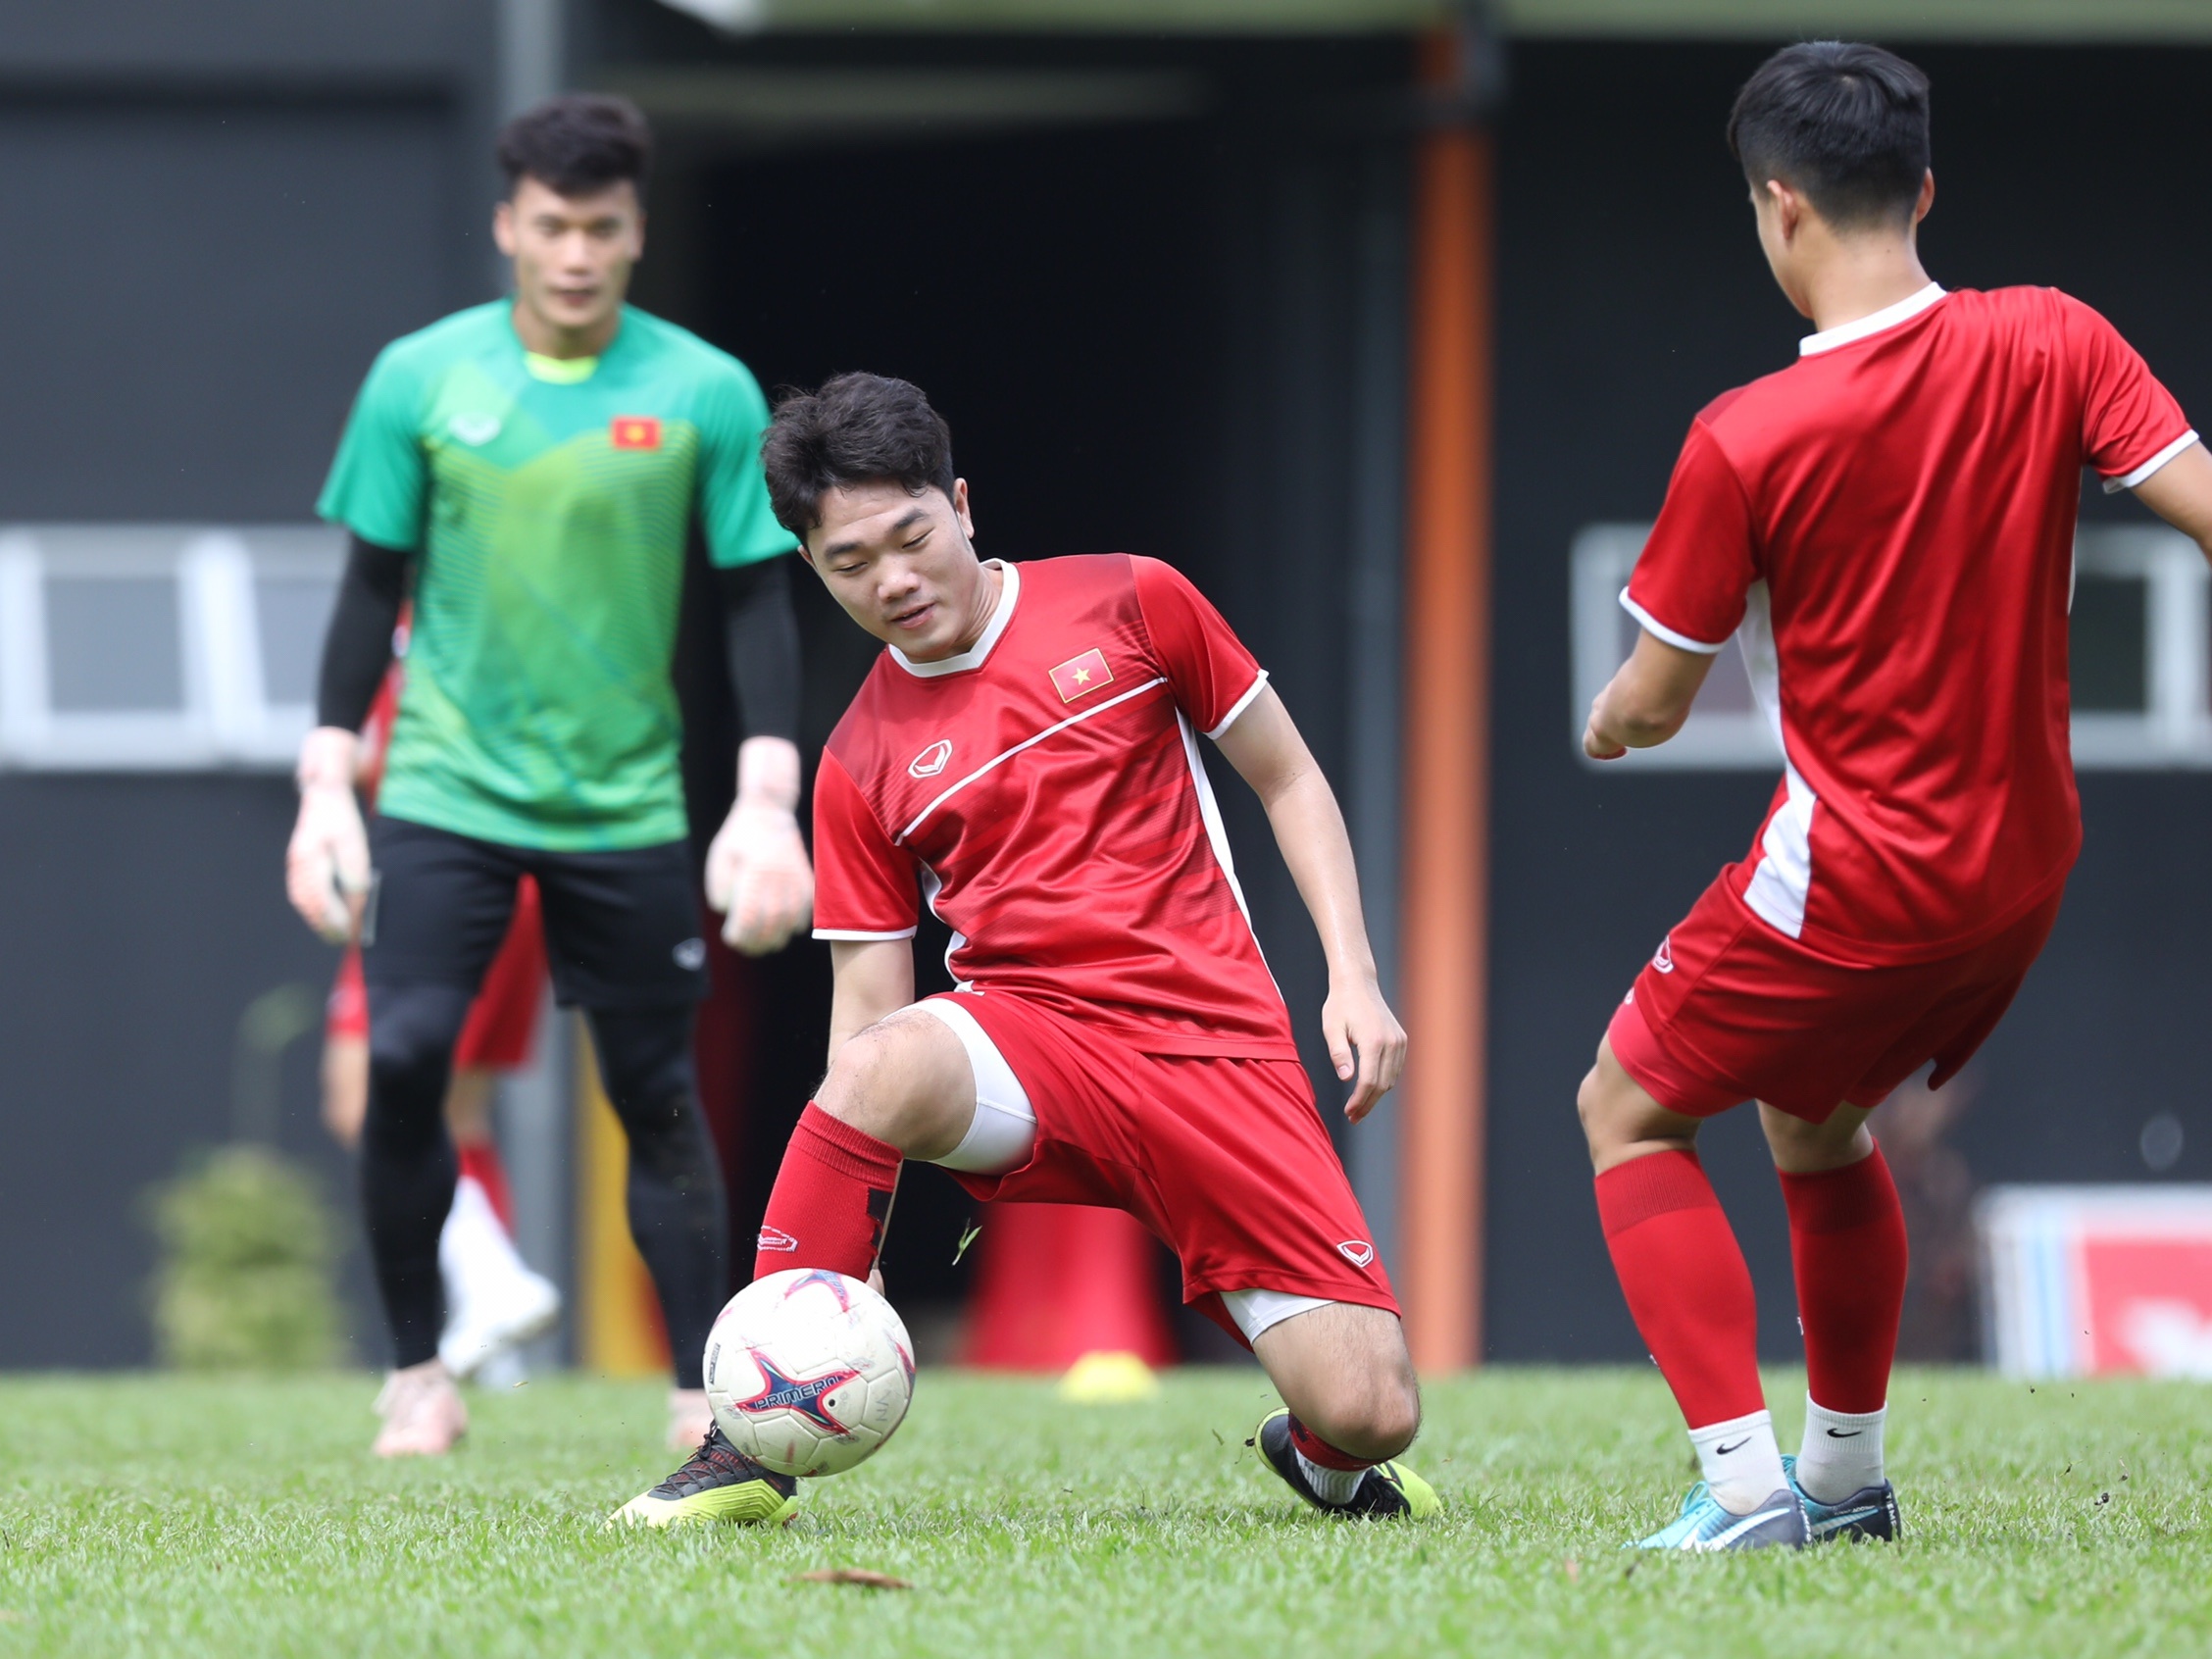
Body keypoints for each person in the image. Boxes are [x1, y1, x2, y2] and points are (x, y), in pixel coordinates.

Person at [1574, 41, 2212, 1550]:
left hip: (1860, 868)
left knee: (1624, 1108)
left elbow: (1656, 704)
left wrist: (1609, 717)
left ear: (1777, 207)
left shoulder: (1746, 433)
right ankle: (1848, 1479)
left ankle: (1742, 1491)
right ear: (1924, 190)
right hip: (2025, 863)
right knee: (1814, 1120)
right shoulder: (2053, 335)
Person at [615, 373, 1433, 1528]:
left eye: (910, 537)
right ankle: (745, 1448)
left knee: (1373, 1412)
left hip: (1215, 1048)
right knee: (879, 1066)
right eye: (849, 565)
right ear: (813, 571)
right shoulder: (855, 759)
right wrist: (843, 1259)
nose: (892, 580)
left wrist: (1351, 975)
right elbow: (867, 1010)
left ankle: (1318, 1452)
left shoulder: (1135, 601)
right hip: (1030, 1042)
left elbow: (1287, 777)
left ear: (960, 502)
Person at [285, 93, 813, 1458]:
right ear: (508, 225)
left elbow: (756, 603)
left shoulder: (704, 389)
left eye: (604, 228)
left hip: (627, 804)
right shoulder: (420, 377)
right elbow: (364, 592)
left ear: (636, 232)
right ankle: (417, 1374)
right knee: (401, 1060)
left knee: (653, 1088)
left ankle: (702, 1394)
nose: (576, 253)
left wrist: (766, 801)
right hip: (444, 791)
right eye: (553, 226)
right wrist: (324, 784)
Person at [319, 657, 562, 1401]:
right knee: (457, 1113)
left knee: (365, 1101)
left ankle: (493, 1284)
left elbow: (376, 754)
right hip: (520, 882)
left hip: (438, 878)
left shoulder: (428, 620)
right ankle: (495, 1345)